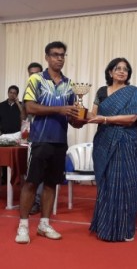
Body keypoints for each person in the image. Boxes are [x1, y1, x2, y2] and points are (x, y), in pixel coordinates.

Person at [15, 41, 82, 244]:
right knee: (31, 183)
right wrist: (60, 109)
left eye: (62, 55)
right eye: (55, 55)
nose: (59, 58)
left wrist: (79, 118)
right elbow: (31, 108)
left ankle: (44, 224)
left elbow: (72, 117)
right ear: (47, 57)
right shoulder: (36, 79)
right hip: (40, 140)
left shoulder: (70, 84)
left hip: (60, 141)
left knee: (52, 184)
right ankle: (23, 226)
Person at [87, 57, 137, 242]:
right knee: (107, 184)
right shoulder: (101, 91)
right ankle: (105, 226)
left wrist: (105, 119)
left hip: (126, 141)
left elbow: (132, 118)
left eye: (126, 69)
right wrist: (81, 111)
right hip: (104, 141)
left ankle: (125, 228)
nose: (122, 71)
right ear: (110, 72)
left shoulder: (132, 92)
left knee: (126, 184)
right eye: (118, 68)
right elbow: (94, 114)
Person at [26, 62, 44, 215]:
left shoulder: (47, 90)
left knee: (43, 174)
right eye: (31, 73)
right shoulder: (28, 91)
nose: (34, 76)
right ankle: (32, 201)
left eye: (37, 73)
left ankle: (38, 201)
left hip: (49, 136)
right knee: (31, 173)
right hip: (33, 137)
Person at [0, 85, 24, 184]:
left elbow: (25, 116)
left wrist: (18, 103)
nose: (12, 95)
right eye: (11, 92)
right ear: (8, 93)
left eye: (14, 93)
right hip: (4, 136)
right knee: (4, 157)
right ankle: (5, 179)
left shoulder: (20, 105)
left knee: (16, 157)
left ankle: (17, 179)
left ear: (17, 94)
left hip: (17, 136)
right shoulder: (1, 105)